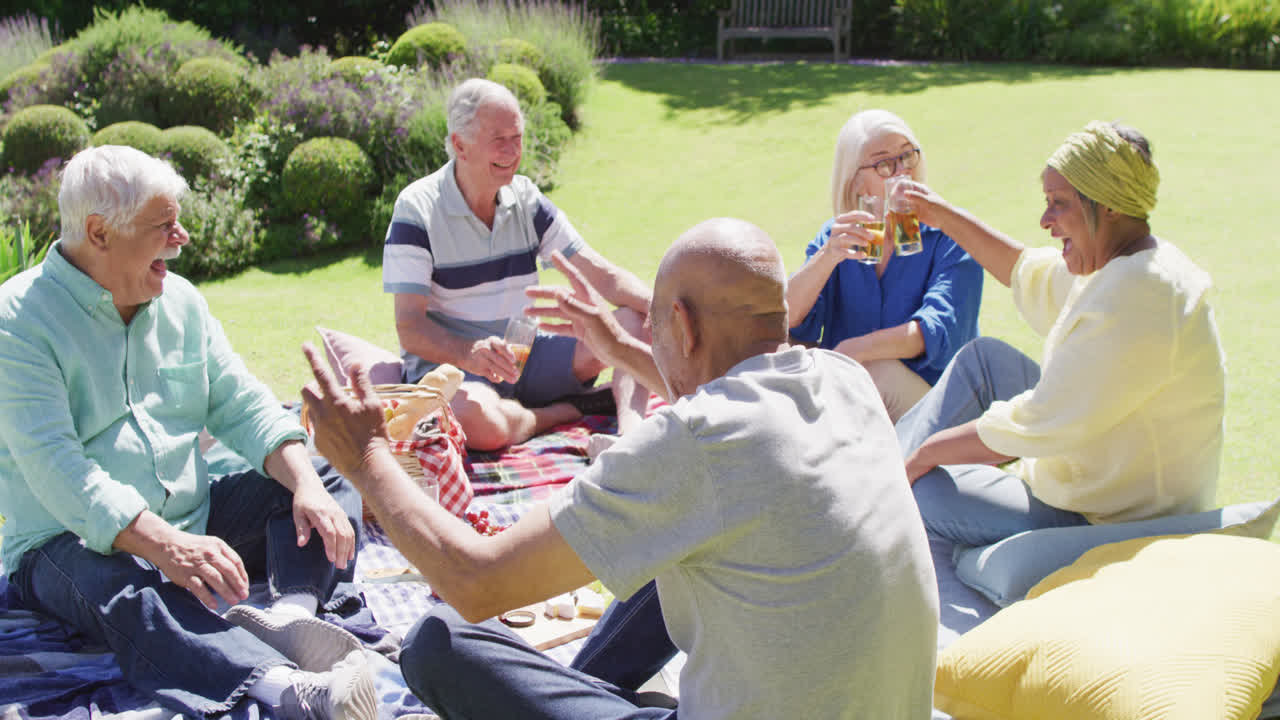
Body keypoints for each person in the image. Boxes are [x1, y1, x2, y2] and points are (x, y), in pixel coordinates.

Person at [303, 218, 939, 719]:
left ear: (682, 325)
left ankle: (579, 691)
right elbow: (726, 394)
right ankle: (587, 686)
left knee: (438, 641)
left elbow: (474, 581)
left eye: (658, 330)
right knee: (671, 547)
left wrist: (365, 457)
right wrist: (621, 348)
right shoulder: (845, 380)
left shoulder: (694, 443)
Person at [0, 146, 376, 720]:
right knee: (126, 586)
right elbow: (58, 470)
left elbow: (243, 404)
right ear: (99, 233)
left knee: (321, 476)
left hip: (191, 519)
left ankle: (293, 616)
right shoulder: (17, 322)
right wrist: (166, 547)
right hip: (64, 543)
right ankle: (286, 689)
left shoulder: (182, 302)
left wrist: (303, 483)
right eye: (163, 225)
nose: (182, 238)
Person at [896, 120, 1226, 550]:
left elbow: (1036, 421)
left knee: (926, 491)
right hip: (1104, 456)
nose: (1045, 220)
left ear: (1108, 207)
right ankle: (887, 474)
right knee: (985, 359)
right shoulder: (1128, 262)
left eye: (1059, 203)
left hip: (1116, 515)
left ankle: (887, 482)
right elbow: (1026, 272)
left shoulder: (1136, 296)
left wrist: (925, 456)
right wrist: (938, 212)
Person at [382, 78, 653, 451]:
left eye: (518, 137)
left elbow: (601, 273)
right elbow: (410, 328)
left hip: (528, 354)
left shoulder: (526, 198)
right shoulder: (417, 209)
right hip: (458, 374)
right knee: (476, 421)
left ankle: (630, 440)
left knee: (633, 323)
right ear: (460, 144)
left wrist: (657, 306)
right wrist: (468, 353)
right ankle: (564, 411)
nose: (512, 151)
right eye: (499, 139)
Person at [787, 109, 983, 422]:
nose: (901, 172)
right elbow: (788, 318)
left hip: (941, 404)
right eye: (883, 164)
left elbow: (934, 332)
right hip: (852, 392)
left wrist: (851, 351)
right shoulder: (837, 235)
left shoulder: (951, 234)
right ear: (856, 183)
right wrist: (827, 257)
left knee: (874, 373)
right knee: (782, 355)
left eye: (907, 156)